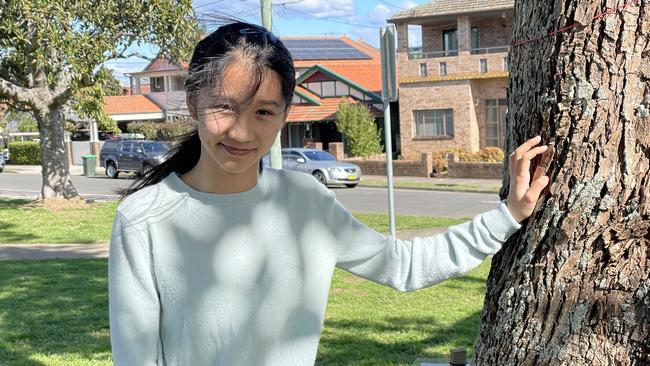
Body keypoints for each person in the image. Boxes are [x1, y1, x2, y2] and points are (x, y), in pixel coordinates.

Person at [108, 21, 550, 365]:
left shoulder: (307, 202)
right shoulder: (145, 218)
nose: (242, 130)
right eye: (225, 107)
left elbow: (404, 266)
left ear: (284, 115)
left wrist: (507, 215)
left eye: (263, 111)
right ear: (193, 104)